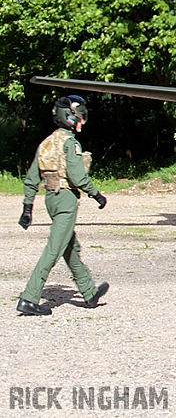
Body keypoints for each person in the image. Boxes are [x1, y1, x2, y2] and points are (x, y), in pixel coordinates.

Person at [16, 95, 109, 316]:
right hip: (66, 199)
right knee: (54, 249)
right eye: (79, 116)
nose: (82, 121)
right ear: (69, 118)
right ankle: (29, 298)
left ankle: (89, 293)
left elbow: (31, 178)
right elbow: (77, 176)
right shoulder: (70, 143)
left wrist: (28, 207)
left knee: (69, 246)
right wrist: (96, 195)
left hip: (51, 198)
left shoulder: (46, 143)